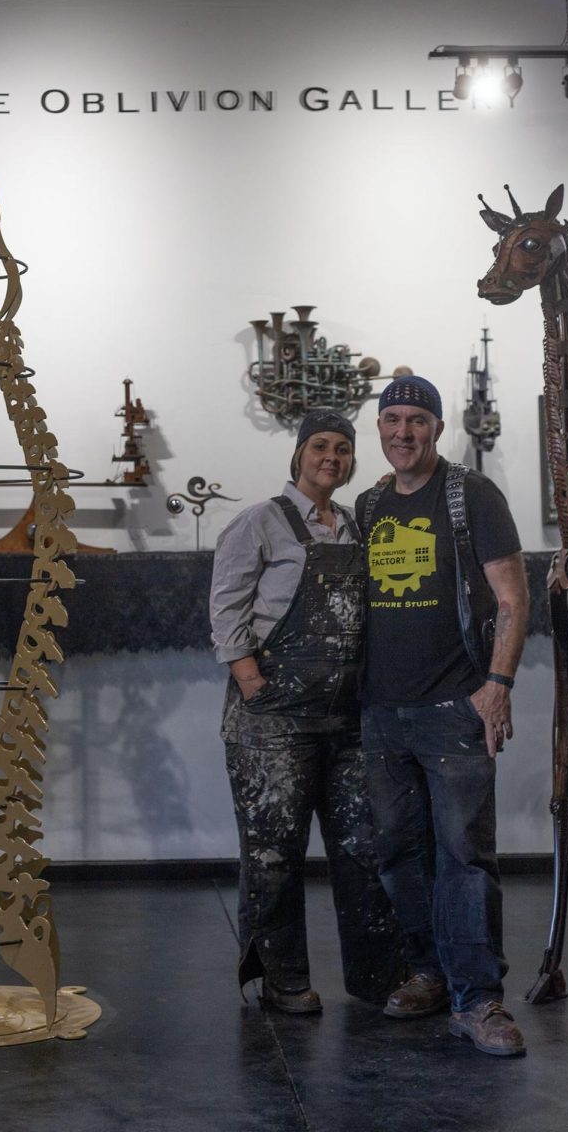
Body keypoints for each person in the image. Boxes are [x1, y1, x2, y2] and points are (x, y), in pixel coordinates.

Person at [209, 409, 404, 1015]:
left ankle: (379, 978)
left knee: (363, 847)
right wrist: (251, 682)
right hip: (273, 718)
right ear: (297, 455)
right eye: (321, 446)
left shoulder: (353, 524)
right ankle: (282, 979)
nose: (333, 457)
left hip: (346, 719)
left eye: (344, 449)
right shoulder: (259, 521)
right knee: (274, 852)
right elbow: (226, 608)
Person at [356, 375, 529, 1057]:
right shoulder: (369, 504)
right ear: (379, 428)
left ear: (436, 427)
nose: (403, 432)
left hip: (454, 704)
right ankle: (430, 973)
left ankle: (479, 999)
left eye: (416, 420)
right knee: (400, 854)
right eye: (391, 419)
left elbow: (512, 598)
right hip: (379, 711)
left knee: (464, 855)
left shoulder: (471, 495)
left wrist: (497, 683)